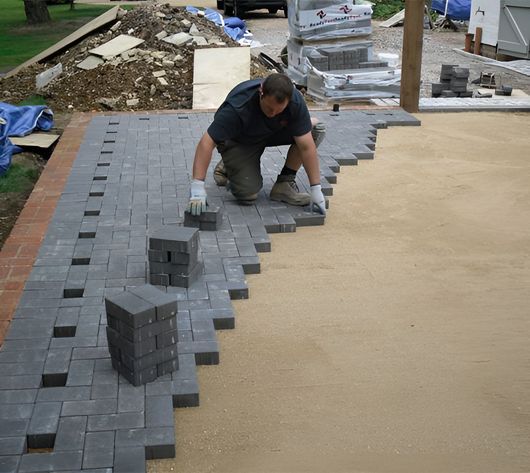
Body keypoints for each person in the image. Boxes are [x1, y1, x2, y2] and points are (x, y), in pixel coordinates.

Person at [186, 73, 327, 216]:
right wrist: (197, 188)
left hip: (269, 133)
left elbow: (306, 147)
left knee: (315, 129)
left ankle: (284, 184)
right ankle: (230, 162)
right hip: (239, 141)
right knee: (247, 195)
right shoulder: (237, 107)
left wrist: (316, 188)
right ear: (261, 93)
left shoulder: (294, 101)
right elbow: (206, 143)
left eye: (279, 110)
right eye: (269, 108)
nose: (272, 114)